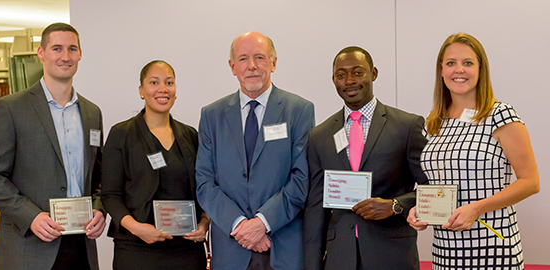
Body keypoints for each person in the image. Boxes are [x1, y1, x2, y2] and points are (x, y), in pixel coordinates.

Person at [0, 22, 106, 270]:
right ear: (41, 53)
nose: (65, 56)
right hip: (30, 245)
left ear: (80, 54)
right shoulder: (11, 108)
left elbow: (99, 176)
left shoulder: (92, 113)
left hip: (82, 246)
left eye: (72, 49)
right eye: (56, 48)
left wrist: (100, 209)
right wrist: (31, 216)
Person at [406, 33, 540, 269]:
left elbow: (530, 182)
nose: (459, 70)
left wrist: (476, 208)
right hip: (446, 250)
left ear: (481, 69)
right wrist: (422, 209)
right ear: (441, 70)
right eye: (451, 63)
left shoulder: (500, 115)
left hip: (493, 248)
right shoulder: (434, 123)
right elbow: (437, 184)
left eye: (467, 63)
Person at [196, 31, 315, 270]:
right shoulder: (212, 115)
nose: (251, 66)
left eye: (259, 57)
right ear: (232, 67)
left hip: (282, 248)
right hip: (231, 250)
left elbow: (302, 178)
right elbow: (205, 183)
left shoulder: (299, 110)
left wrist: (262, 223)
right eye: (243, 59)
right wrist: (241, 225)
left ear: (273, 62)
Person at [303, 46, 428, 270]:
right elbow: (315, 207)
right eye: (341, 75)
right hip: (340, 258)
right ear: (334, 80)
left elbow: (433, 188)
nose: (349, 80)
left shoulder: (407, 127)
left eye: (358, 72)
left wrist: (396, 205)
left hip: (392, 255)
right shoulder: (319, 136)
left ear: (374, 73)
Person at [101, 60, 209, 270]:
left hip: (186, 248)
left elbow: (204, 188)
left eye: (169, 83)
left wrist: (205, 223)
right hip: (137, 248)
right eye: (154, 82)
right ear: (142, 91)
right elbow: (110, 195)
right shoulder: (121, 135)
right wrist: (137, 229)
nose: (163, 89)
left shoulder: (190, 136)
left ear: (175, 91)